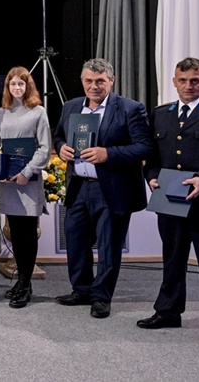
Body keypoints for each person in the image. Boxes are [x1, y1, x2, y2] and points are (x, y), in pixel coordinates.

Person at [53, 58, 151, 319]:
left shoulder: (130, 109)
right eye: (88, 81)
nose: (94, 86)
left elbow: (144, 147)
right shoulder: (71, 106)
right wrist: (61, 147)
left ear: (111, 81)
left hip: (111, 188)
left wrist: (109, 153)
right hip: (78, 186)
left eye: (100, 81)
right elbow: (59, 135)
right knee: (74, 240)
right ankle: (81, 289)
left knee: (108, 245)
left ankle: (101, 296)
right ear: (82, 81)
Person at [138, 57, 199, 329]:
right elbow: (152, 157)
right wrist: (152, 177)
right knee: (173, 258)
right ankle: (168, 312)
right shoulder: (161, 113)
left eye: (195, 80)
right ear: (174, 82)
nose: (188, 86)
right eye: (183, 80)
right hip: (170, 199)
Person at [0, 67, 51, 308]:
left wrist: (26, 172)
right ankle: (22, 280)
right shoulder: (1, 113)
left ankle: (25, 284)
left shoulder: (38, 112)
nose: (17, 88)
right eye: (13, 84)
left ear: (28, 86)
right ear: (8, 87)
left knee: (27, 234)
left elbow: (44, 148)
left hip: (28, 182)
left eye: (21, 84)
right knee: (15, 232)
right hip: (8, 183)